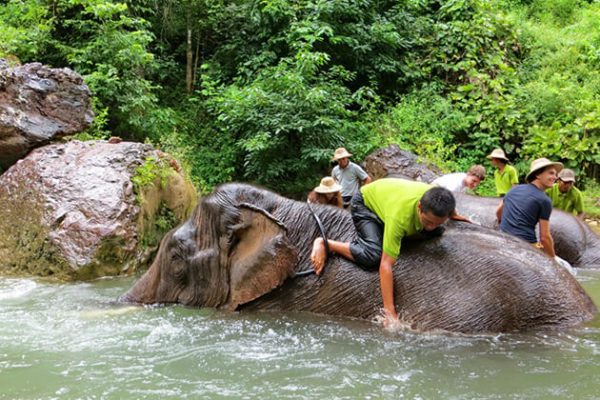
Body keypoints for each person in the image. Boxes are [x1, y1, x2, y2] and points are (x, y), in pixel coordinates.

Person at [309, 178, 470, 326]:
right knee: (372, 255)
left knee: (437, 232)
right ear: (420, 207)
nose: (431, 226)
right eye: (428, 221)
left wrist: (455, 216)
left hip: (389, 199)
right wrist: (389, 312)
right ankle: (326, 243)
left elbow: (447, 207)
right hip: (366, 204)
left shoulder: (438, 197)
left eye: (437, 222)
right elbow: (385, 265)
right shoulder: (399, 217)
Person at [496, 157, 564, 260]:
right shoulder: (544, 200)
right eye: (551, 173)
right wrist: (553, 259)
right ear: (537, 175)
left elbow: (498, 212)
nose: (555, 177)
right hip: (526, 245)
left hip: (504, 239)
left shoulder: (514, 189)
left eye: (555, 174)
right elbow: (545, 237)